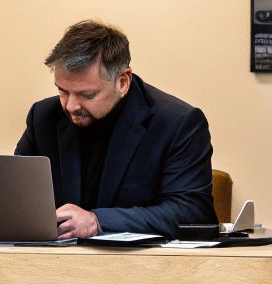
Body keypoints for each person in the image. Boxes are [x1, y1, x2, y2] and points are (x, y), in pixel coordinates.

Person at [14, 20, 216, 239]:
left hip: (137, 259)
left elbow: (192, 213)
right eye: (62, 91)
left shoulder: (177, 123)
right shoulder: (43, 116)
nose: (71, 106)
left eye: (87, 94)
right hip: (53, 257)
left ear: (122, 82)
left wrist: (98, 221)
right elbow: (13, 194)